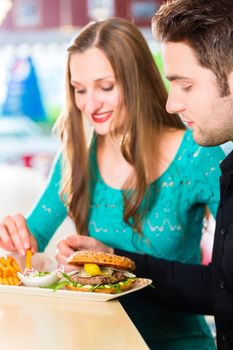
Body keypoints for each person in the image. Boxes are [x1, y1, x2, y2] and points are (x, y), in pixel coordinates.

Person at [0, 18, 224, 349]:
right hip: (96, 341)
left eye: (106, 87)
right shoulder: (76, 156)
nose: (90, 105)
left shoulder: (197, 153)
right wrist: (14, 241)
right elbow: (28, 251)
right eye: (80, 90)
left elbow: (224, 282)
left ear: (138, 82)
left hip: (177, 342)